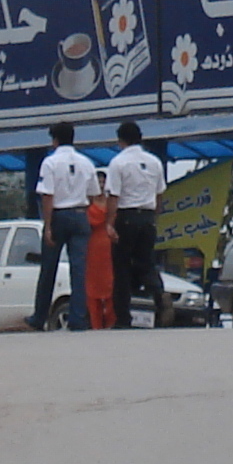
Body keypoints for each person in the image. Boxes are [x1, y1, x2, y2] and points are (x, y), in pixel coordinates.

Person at [28, 122, 99, 332]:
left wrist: (47, 225)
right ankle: (78, 318)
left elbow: (47, 195)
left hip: (59, 215)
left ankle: (39, 317)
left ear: (55, 140)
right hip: (80, 214)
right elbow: (94, 194)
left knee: (48, 268)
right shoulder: (86, 163)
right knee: (79, 270)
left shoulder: (50, 163)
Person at [104, 120, 165, 329]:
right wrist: (152, 218)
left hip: (126, 217)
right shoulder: (155, 162)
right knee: (147, 263)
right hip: (147, 218)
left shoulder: (118, 163)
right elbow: (159, 194)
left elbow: (113, 196)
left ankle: (123, 318)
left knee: (121, 268)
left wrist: (110, 224)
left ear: (121, 140)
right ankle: (159, 295)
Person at [84, 186, 117, 335]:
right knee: (93, 284)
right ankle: (95, 322)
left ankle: (111, 319)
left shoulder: (112, 201)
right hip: (93, 246)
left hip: (108, 244)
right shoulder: (87, 203)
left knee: (110, 282)